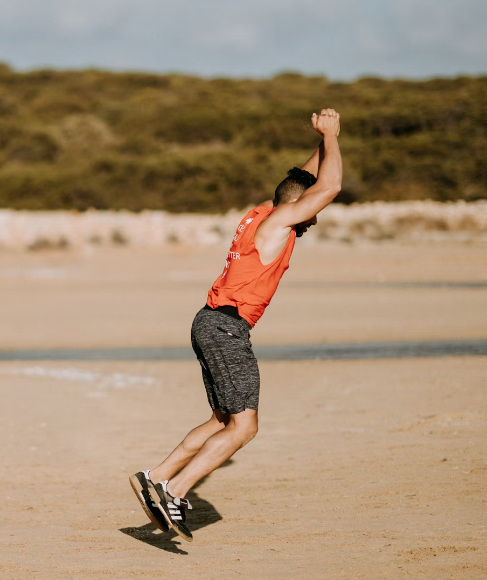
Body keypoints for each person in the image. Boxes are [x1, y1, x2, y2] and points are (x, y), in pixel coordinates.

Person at [129, 109, 343, 541]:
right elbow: (330, 186)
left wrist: (324, 139)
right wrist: (334, 137)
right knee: (244, 426)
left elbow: (300, 179)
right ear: (297, 206)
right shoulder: (279, 222)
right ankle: (174, 491)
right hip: (226, 329)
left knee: (221, 419)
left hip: (209, 323)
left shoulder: (262, 211)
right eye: (311, 211)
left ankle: (157, 476)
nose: (315, 218)